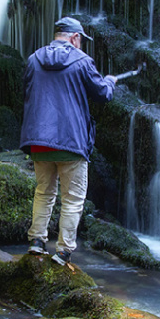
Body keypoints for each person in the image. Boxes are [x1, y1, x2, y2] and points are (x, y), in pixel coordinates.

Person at [20, 16, 117, 265]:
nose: (81, 45)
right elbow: (103, 94)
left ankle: (37, 242)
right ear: (74, 37)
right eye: (81, 40)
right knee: (73, 199)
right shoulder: (82, 61)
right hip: (70, 142)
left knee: (44, 192)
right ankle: (63, 251)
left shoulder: (33, 59)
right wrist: (110, 81)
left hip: (39, 142)